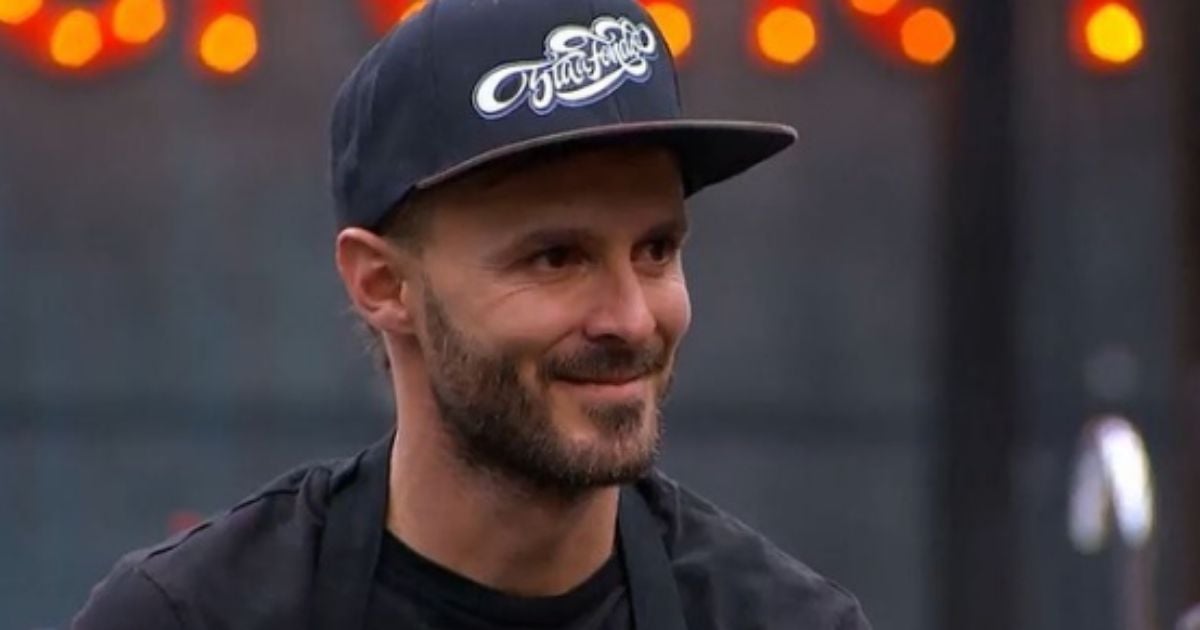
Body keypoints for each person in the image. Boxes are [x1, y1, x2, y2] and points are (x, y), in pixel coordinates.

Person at [72, 0, 871, 627]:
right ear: (383, 285)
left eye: (656, 249)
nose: (630, 319)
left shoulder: (785, 621)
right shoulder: (192, 617)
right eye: (556, 257)